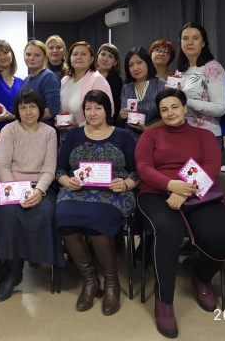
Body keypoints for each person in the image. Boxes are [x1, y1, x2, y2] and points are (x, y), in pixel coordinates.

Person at [135, 88, 225, 338]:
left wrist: (184, 191)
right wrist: (171, 185)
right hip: (156, 192)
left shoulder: (204, 135)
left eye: (174, 107)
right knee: (167, 231)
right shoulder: (150, 135)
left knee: (221, 236)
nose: (170, 113)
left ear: (185, 108)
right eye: (164, 109)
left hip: (198, 192)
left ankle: (201, 276)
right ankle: (164, 301)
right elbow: (143, 168)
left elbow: (211, 168)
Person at [56, 90, 138, 316]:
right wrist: (67, 181)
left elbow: (137, 172)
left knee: (97, 217)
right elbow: (60, 170)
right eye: (88, 108)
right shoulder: (73, 135)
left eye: (98, 108)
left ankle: (111, 282)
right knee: (63, 215)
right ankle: (90, 279)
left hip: (115, 193)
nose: (92, 113)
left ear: (107, 110)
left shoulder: (123, 136)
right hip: (77, 191)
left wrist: (126, 184)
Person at [0, 89, 64, 301]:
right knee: (10, 214)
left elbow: (49, 168)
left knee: (45, 212)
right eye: (23, 107)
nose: (28, 111)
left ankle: (18, 266)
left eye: (32, 106)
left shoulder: (49, 132)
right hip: (10, 185)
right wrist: (17, 190)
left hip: (39, 187)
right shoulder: (8, 130)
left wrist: (39, 191)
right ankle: (14, 271)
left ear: (40, 109)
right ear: (17, 110)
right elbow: (2, 166)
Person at [177, 23, 225, 140]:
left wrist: (185, 100)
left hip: (206, 135)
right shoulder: (179, 71)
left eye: (195, 38)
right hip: (182, 134)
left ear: (203, 43)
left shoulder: (213, 68)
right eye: (185, 38)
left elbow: (220, 108)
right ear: (180, 43)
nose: (190, 42)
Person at [59, 41, 113, 131]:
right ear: (70, 58)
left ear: (91, 59)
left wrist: (79, 125)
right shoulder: (65, 80)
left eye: (83, 54)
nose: (79, 57)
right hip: (64, 134)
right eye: (75, 54)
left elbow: (108, 111)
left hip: (89, 134)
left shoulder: (98, 80)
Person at [119, 47, 165, 141]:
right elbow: (121, 118)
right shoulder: (126, 87)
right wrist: (121, 115)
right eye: (130, 65)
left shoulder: (161, 85)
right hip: (129, 139)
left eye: (139, 62)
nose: (135, 68)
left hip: (155, 138)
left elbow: (169, 115)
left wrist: (148, 129)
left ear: (148, 63)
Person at [21, 40, 61, 123]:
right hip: (28, 128)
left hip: (44, 129)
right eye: (28, 54)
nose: (31, 58)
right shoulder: (26, 80)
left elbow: (52, 110)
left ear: (45, 57)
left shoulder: (48, 77)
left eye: (37, 55)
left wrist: (25, 120)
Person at [96, 43, 123, 121]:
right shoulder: (88, 75)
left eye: (110, 56)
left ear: (115, 62)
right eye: (103, 54)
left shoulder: (117, 81)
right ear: (97, 57)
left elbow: (117, 107)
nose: (105, 59)